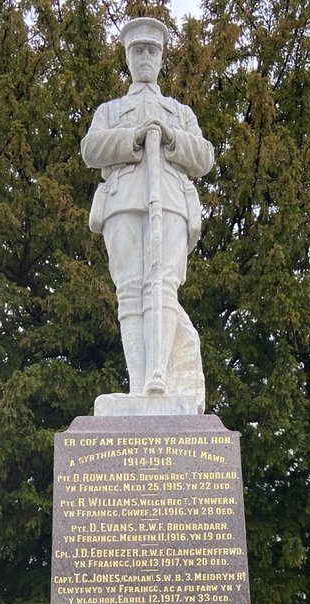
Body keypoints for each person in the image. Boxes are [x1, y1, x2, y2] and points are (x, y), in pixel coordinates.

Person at [81, 18, 214, 410]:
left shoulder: (179, 112)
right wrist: (132, 137)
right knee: (129, 292)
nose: (145, 58)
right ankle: (140, 384)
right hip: (123, 202)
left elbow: (204, 156)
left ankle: (160, 377)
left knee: (163, 285)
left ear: (160, 58)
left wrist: (171, 138)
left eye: (151, 51)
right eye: (137, 51)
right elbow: (91, 150)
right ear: (128, 57)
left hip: (170, 203)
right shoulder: (111, 110)